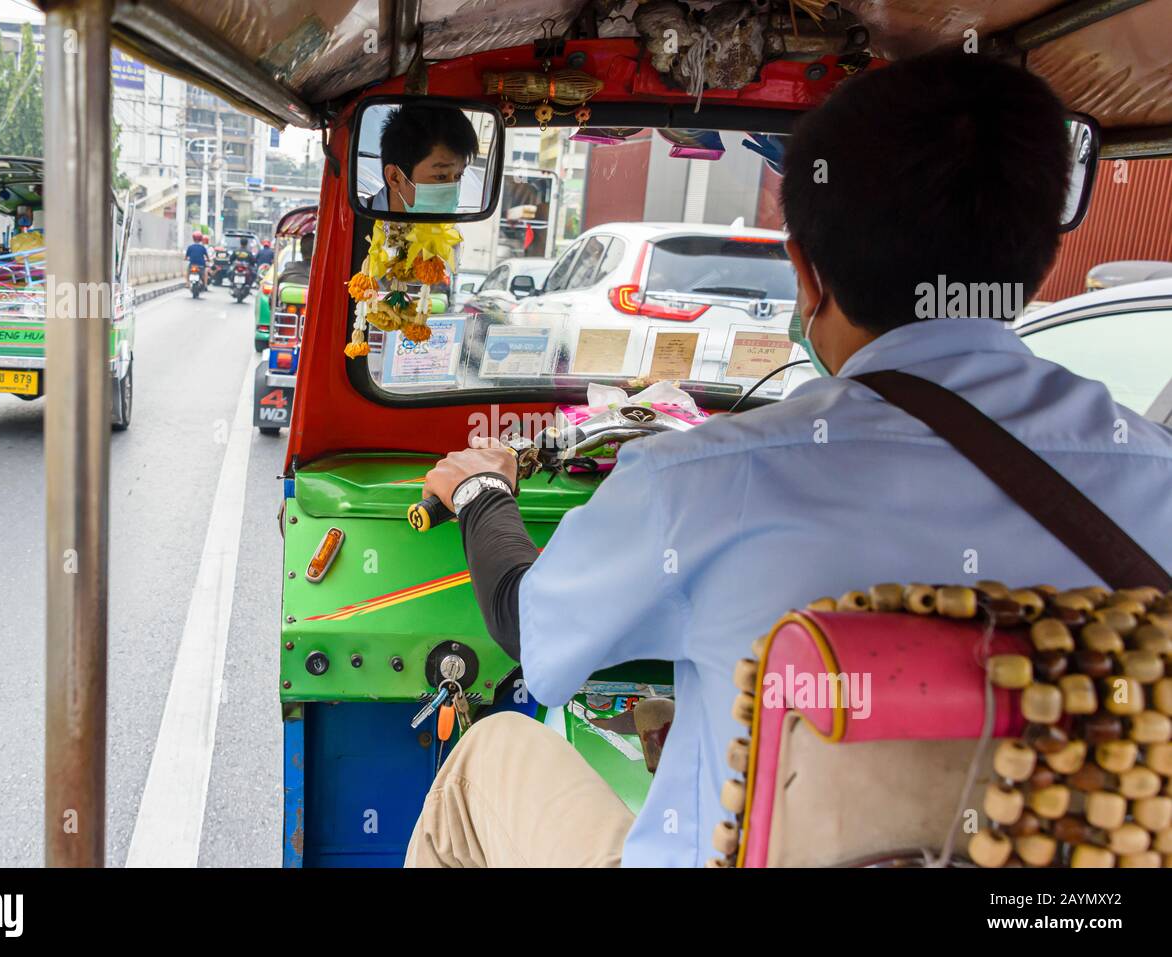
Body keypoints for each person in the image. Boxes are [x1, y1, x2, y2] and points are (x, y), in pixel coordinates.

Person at [404, 47, 1172, 868]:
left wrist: (485, 492)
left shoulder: (705, 478)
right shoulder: (1154, 471)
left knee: (487, 759)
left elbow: (531, 624)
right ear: (1039, 262)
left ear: (806, 274)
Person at [368, 104, 478, 214]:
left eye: (458, 176)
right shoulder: (353, 224)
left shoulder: (450, 230)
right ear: (395, 178)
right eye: (440, 177)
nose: (451, 194)